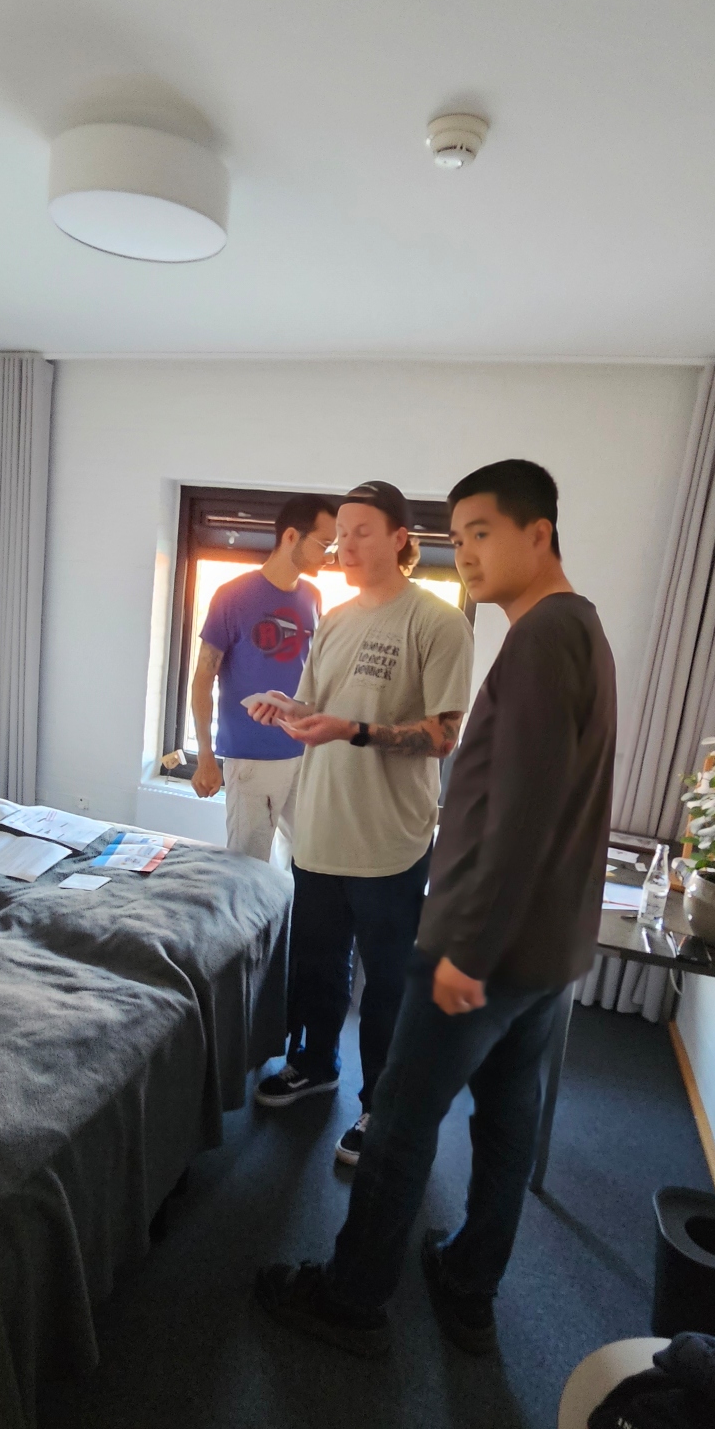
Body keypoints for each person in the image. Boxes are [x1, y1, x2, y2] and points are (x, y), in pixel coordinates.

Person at [254, 459, 617, 1356]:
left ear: (539, 533)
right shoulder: (577, 629)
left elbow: (523, 809)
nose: (471, 553)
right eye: (461, 538)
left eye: (483, 533)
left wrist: (470, 950)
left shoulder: (539, 638)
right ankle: (467, 1280)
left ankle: (351, 1299)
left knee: (402, 1121)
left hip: (485, 945)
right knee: (506, 1120)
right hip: (547, 945)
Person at [252, 481, 473, 1169]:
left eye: (362, 531)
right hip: (319, 827)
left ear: (401, 538)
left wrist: (353, 729)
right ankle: (315, 1063)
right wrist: (286, 707)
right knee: (316, 965)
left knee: (387, 984)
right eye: (340, 533)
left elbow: (442, 736)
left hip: (389, 839)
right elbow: (317, 708)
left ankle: (384, 1104)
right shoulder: (336, 618)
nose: (344, 545)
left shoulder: (438, 622)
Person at [191, 495, 339, 863]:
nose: (329, 556)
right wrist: (205, 755)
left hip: (303, 753)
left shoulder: (313, 597)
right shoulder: (232, 596)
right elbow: (202, 679)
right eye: (324, 544)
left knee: (310, 860)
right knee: (247, 865)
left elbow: (312, 673)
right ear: (291, 536)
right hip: (251, 758)